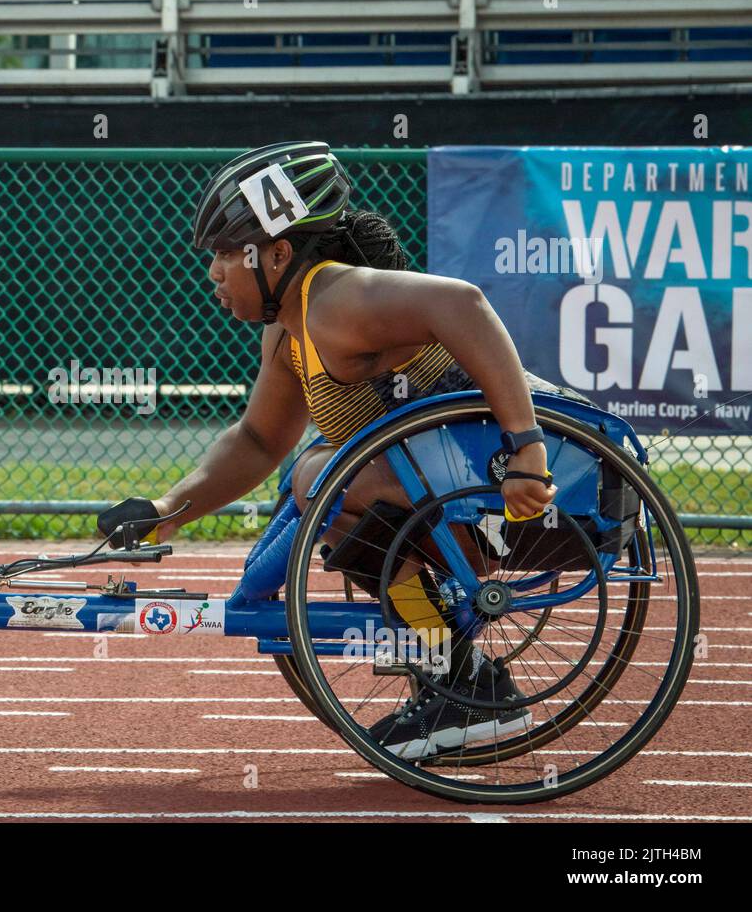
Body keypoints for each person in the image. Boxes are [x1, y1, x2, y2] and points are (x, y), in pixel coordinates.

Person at [97, 141, 587, 758]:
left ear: (278, 254)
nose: (213, 273)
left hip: (543, 496)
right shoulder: (291, 328)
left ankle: (463, 684)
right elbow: (256, 441)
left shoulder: (335, 301)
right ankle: (460, 680)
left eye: (226, 254)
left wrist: (527, 449)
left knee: (319, 477)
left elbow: (463, 303)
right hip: (477, 503)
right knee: (306, 475)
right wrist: (165, 508)